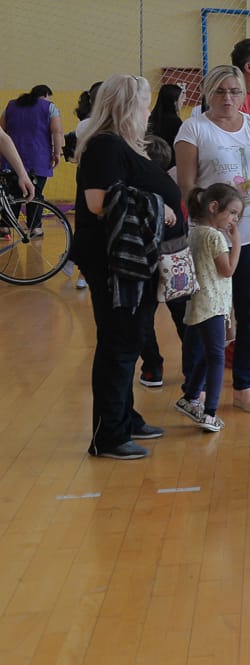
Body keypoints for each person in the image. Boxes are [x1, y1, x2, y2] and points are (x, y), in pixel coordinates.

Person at [71, 74, 184, 459]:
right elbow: (99, 202)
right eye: (142, 102)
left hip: (135, 259)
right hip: (114, 260)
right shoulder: (104, 145)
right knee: (118, 342)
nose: (148, 110)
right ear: (125, 106)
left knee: (131, 338)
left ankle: (124, 416)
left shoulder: (124, 146)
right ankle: (110, 435)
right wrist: (160, 207)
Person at [175, 65, 250, 414]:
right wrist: (218, 216)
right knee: (206, 313)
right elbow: (187, 186)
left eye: (234, 91)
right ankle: (193, 390)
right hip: (210, 236)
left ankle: (244, 383)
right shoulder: (194, 128)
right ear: (208, 92)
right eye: (221, 91)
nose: (228, 98)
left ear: (244, 94)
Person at [175, 183, 243, 434]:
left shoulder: (195, 231)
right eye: (233, 213)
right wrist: (236, 243)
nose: (234, 220)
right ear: (214, 207)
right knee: (217, 357)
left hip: (200, 302)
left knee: (207, 352)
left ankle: (190, 396)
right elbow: (227, 270)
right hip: (211, 305)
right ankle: (210, 412)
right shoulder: (214, 236)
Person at [2, 84, 62, 233]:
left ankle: (5, 226)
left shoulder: (10, 105)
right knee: (35, 192)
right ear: (46, 95)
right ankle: (35, 227)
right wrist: (57, 152)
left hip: (11, 155)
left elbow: (2, 128)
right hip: (38, 157)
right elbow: (57, 131)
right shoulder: (50, 107)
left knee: (12, 193)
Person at [147, 83, 184, 156]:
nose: (183, 101)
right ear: (174, 102)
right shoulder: (175, 122)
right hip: (169, 160)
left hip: (152, 157)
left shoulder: (152, 117)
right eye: (181, 98)